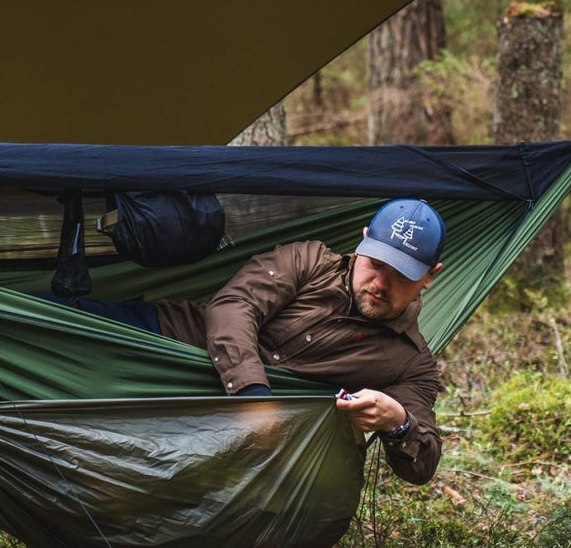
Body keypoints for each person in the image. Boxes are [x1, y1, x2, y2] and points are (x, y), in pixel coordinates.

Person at [151, 198, 445, 485]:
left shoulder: (411, 363)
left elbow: (423, 466)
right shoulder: (308, 261)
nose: (381, 284)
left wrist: (398, 423)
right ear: (363, 242)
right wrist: (253, 397)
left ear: (430, 276)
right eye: (377, 264)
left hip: (215, 438)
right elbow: (234, 305)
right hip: (154, 344)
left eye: (402, 275)